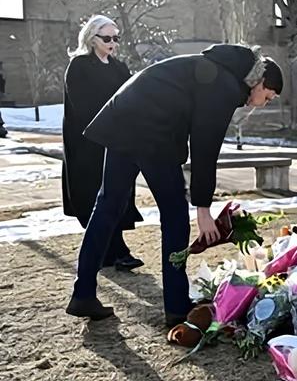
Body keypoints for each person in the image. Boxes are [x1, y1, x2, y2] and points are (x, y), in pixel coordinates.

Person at [65, 43, 283, 327]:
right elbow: (206, 146)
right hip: (151, 131)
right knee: (175, 216)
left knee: (107, 206)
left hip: (123, 120)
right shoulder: (226, 85)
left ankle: (83, 293)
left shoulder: (219, 69)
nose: (262, 103)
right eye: (267, 97)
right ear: (261, 82)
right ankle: (177, 307)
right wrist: (203, 209)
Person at [62, 15, 144, 271]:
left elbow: (132, 98)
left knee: (116, 193)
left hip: (117, 141)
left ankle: (113, 251)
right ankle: (116, 251)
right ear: (91, 38)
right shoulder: (79, 66)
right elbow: (83, 106)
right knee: (94, 195)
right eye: (107, 38)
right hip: (88, 143)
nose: (112, 43)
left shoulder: (119, 68)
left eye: (115, 38)